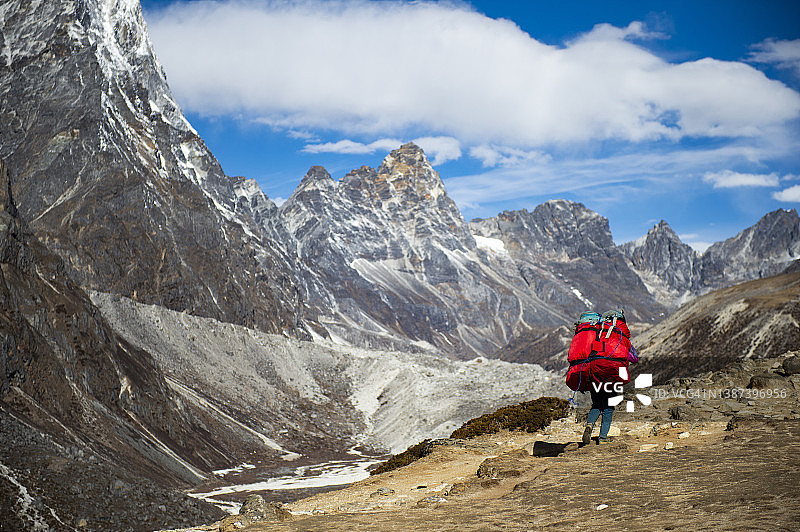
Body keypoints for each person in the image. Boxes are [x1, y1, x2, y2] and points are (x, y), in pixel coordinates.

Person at [582, 345, 639, 445]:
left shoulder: (594, 338)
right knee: (608, 409)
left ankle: (589, 425)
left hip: (594, 377)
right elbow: (634, 358)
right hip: (611, 379)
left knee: (596, 405)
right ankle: (603, 437)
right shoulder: (619, 340)